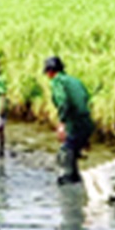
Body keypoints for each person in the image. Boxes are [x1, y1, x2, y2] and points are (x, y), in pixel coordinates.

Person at [43, 55, 92, 185]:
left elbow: (63, 103)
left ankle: (70, 181)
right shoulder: (74, 81)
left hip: (74, 123)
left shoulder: (57, 82)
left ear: (50, 71)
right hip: (86, 122)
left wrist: (61, 124)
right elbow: (86, 97)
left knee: (65, 152)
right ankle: (76, 178)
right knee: (73, 150)